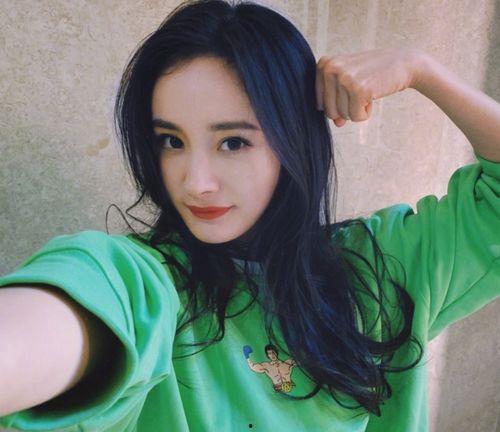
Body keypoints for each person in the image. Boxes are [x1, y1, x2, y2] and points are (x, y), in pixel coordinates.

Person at [0, 0, 499, 431]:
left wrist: (420, 69)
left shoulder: (381, 267)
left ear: (292, 140)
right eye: (171, 141)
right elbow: (55, 323)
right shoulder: (144, 287)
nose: (196, 182)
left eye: (233, 142)